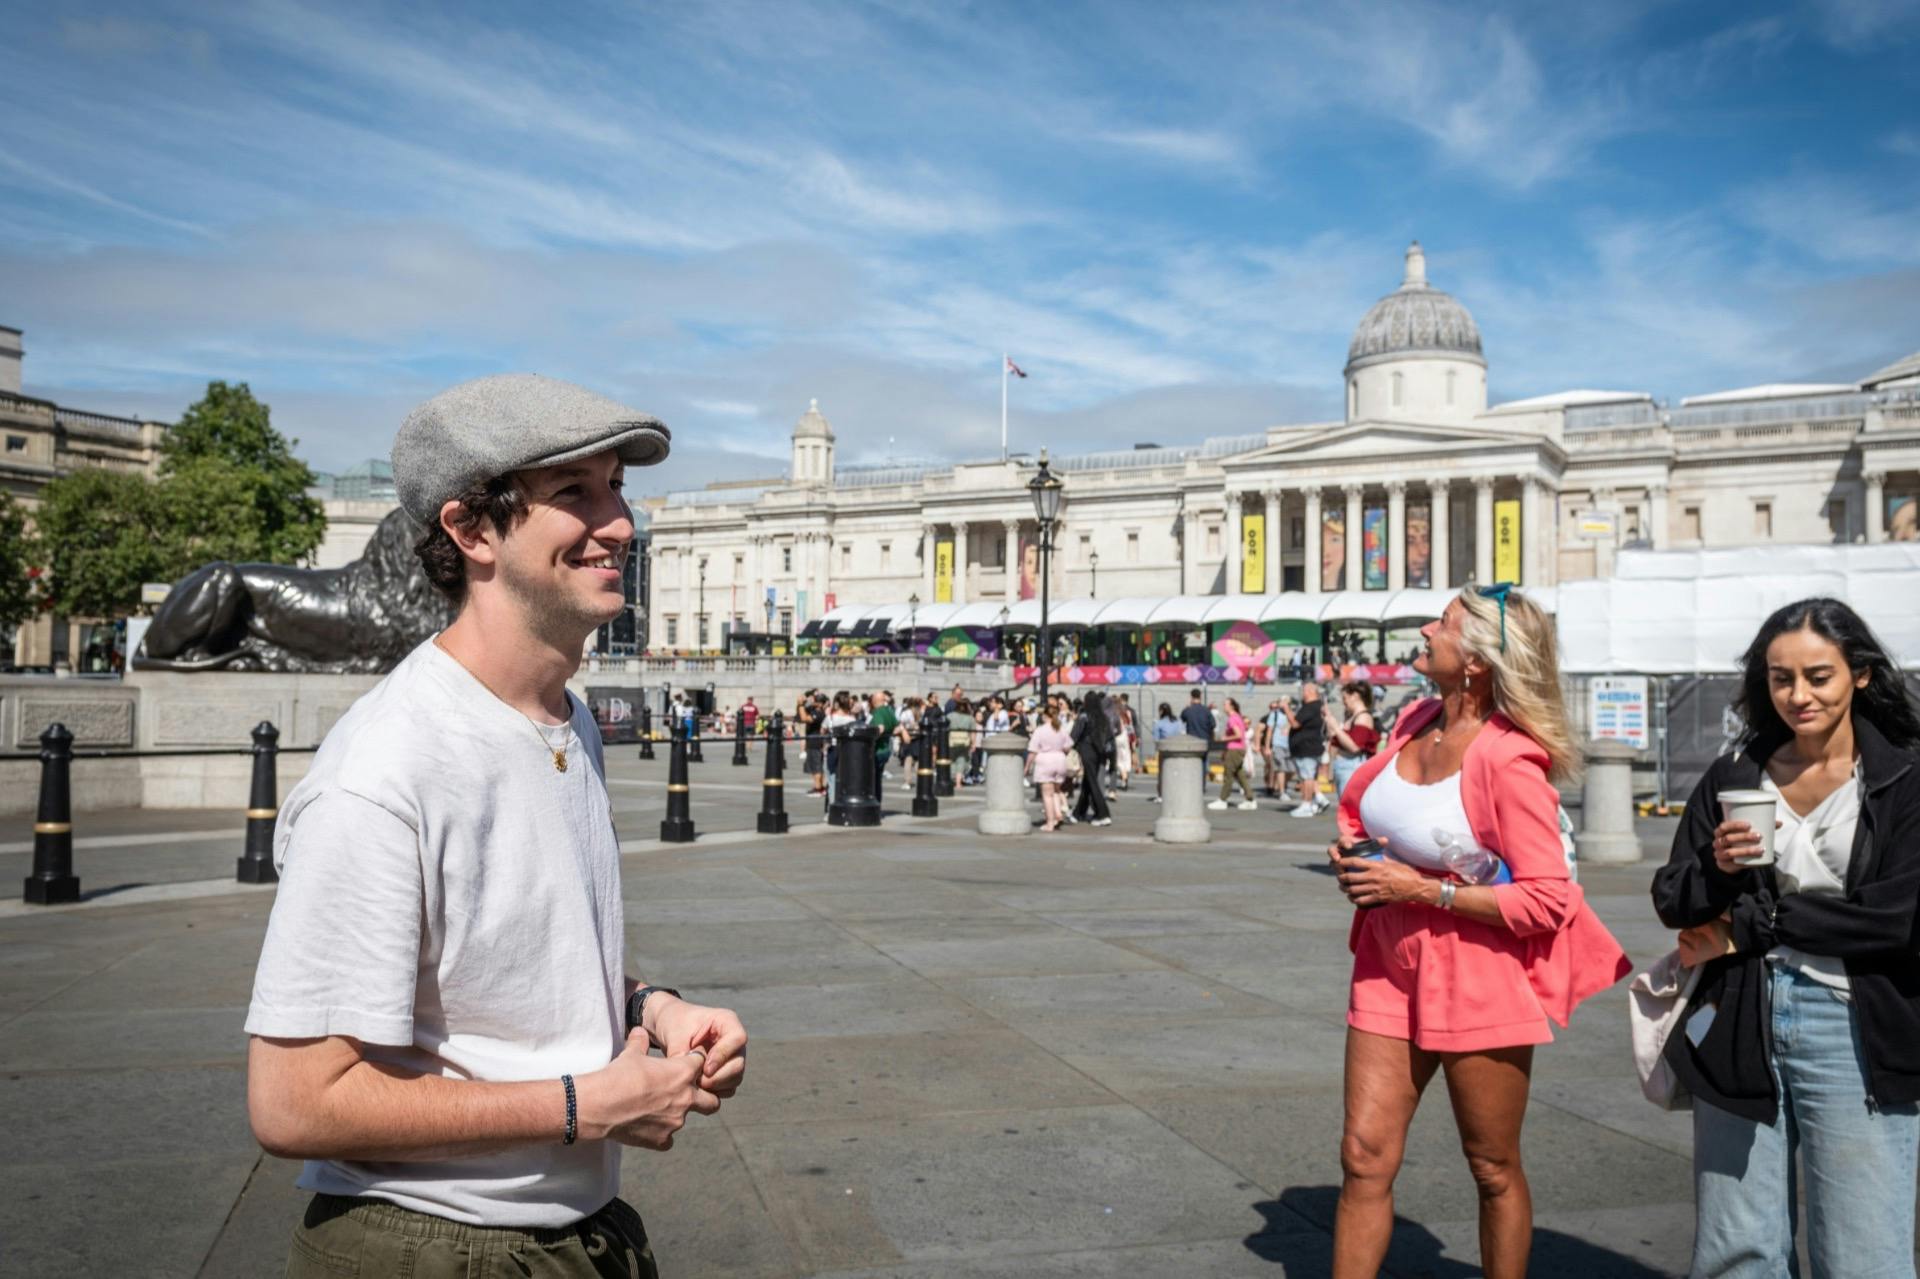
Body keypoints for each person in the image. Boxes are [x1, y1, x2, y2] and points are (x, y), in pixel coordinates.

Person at [244, 374, 748, 1276]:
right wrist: (582, 1106)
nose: (620, 523)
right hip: (432, 1246)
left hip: (577, 1228)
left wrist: (652, 1007)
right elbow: (293, 1103)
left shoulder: (566, 719)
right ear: (471, 530)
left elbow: (506, 948)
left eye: (617, 488)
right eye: (574, 494)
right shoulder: (384, 769)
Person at [1326, 585, 1629, 1279]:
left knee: (1492, 1165)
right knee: (1363, 1154)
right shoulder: (1414, 719)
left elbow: (1549, 899)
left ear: (1478, 663)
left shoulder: (1507, 758)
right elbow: (1370, 808)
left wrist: (1424, 888)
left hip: (1477, 969)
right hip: (1384, 954)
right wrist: (1354, 851)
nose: (1428, 628)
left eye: (1446, 624)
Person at [1652, 597, 1920, 1278]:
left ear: (1859, 674)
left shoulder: (1903, 778)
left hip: (1858, 1020)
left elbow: (1900, 916)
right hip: (1740, 1008)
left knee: (1862, 1252)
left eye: (1817, 675)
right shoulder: (1735, 774)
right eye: (1780, 678)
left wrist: (1768, 922)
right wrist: (1718, 863)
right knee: (1733, 1249)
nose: (1798, 694)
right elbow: (1672, 896)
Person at [1070, 690, 1115, 827]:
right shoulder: (1103, 717)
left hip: (1087, 749)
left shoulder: (1084, 716)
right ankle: (1078, 813)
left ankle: (1103, 813)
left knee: (1092, 782)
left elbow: (1074, 735)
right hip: (1099, 751)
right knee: (1088, 782)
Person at [1026, 705, 1074, 831]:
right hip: (1060, 760)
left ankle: (1050, 823)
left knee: (1047, 795)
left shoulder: (1040, 730)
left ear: (1044, 716)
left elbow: (1032, 751)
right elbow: (1068, 747)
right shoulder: (1061, 729)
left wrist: (1027, 767)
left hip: (1045, 761)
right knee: (1057, 791)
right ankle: (1058, 814)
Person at [1330, 681, 1380, 801]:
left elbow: (1355, 747)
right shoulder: (1354, 716)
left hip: (1351, 766)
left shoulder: (1363, 717)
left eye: (1345, 698)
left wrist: (1336, 728)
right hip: (1345, 765)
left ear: (1355, 696)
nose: (1344, 702)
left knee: (1350, 809)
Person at [1287, 683, 1329, 816]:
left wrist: (1286, 708)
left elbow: (1295, 723)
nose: (1302, 693)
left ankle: (1307, 804)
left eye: (1304, 690)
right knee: (1309, 776)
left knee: (1307, 777)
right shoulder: (1317, 706)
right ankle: (1318, 799)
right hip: (1309, 747)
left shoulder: (1311, 707)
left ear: (1311, 692)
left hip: (1307, 747)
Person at [1209, 696, 1258, 811]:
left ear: (1231, 706)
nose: (1223, 706)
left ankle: (1222, 799)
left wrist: (1224, 738)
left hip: (1235, 749)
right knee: (1240, 775)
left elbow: (1238, 734)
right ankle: (1250, 799)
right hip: (1239, 749)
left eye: (1225, 704)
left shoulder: (1232, 719)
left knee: (1228, 774)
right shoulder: (1237, 717)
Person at [1264, 697, 1293, 799]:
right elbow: (1269, 731)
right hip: (1278, 744)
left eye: (1285, 701)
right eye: (1281, 701)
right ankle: (1282, 792)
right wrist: (1267, 747)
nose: (1282, 703)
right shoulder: (1274, 714)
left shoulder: (1292, 714)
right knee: (1281, 768)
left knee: (1291, 770)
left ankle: (1284, 785)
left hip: (1290, 745)